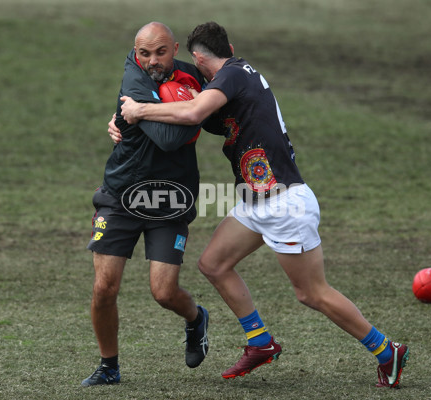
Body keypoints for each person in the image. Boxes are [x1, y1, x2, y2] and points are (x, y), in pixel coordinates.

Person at [120, 21, 409, 388]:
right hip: (256, 201)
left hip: (284, 203)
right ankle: (260, 341)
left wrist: (140, 110)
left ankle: (386, 351)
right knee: (213, 264)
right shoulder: (237, 79)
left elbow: (192, 113)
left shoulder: (232, 75)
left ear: (197, 57)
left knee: (311, 293)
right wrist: (119, 122)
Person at [82, 22, 209, 387]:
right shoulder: (133, 74)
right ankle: (109, 366)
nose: (152, 61)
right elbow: (169, 136)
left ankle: (196, 318)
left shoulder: (196, 76)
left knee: (164, 292)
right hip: (121, 193)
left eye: (161, 52)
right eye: (144, 53)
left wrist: (147, 112)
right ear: (135, 51)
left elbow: (173, 137)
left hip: (171, 197)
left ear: (176, 48)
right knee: (104, 287)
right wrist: (188, 113)